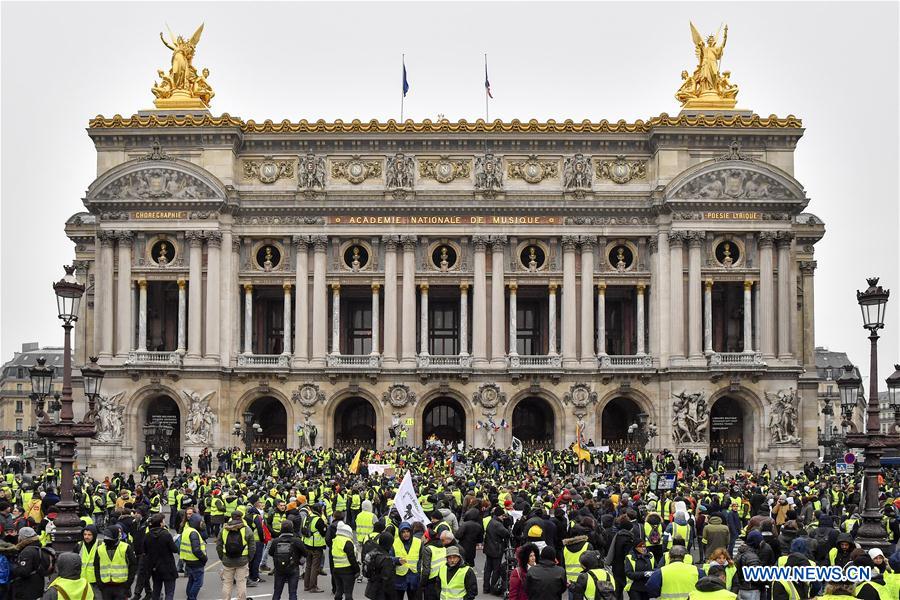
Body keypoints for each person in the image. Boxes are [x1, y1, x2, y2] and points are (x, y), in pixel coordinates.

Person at [217, 510, 256, 600]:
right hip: (242, 560)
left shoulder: (224, 529)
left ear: (232, 517)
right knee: (241, 583)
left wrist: (222, 557)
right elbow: (252, 547)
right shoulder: (246, 529)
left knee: (227, 583)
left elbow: (219, 545)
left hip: (227, 560)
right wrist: (249, 558)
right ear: (241, 517)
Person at [94, 526, 137, 600]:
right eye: (105, 536)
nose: (106, 538)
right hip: (105, 586)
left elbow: (133, 565)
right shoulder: (100, 549)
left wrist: (128, 584)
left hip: (121, 586)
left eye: (108, 536)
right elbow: (96, 567)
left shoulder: (125, 547)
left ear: (115, 536)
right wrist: (99, 583)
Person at [143, 513, 178, 600]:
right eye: (163, 520)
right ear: (160, 523)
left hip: (155, 567)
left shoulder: (148, 535)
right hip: (168, 567)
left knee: (156, 590)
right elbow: (174, 549)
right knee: (169, 592)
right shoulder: (166, 534)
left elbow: (145, 550)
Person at [271, 520, 306, 600]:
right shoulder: (296, 540)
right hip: (293, 568)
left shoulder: (276, 541)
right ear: (292, 528)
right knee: (293, 593)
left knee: (277, 592)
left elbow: (271, 553)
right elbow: (305, 553)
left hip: (279, 569)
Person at [12, 526, 46, 600]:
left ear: (22, 538)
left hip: (28, 587)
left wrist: (13, 568)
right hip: (38, 582)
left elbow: (24, 572)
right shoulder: (38, 547)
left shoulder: (27, 551)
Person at [483, 508, 511, 595]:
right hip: (496, 550)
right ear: (499, 515)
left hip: (489, 549)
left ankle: (486, 587)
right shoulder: (498, 524)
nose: (503, 517)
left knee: (488, 569)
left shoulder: (491, 521)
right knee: (496, 570)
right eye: (503, 516)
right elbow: (507, 533)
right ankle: (493, 588)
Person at [179, 513, 207, 600]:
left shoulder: (187, 530)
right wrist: (204, 558)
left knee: (191, 580)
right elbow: (196, 550)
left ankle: (189, 596)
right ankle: (191, 597)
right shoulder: (194, 533)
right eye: (200, 522)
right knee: (198, 582)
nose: (201, 524)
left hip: (188, 560)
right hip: (196, 561)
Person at [330, 521, 359, 600]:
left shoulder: (335, 540)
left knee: (339, 591)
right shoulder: (347, 542)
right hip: (347, 571)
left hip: (336, 569)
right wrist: (357, 570)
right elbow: (352, 558)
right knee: (348, 593)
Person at [302, 502, 327, 593]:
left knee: (308, 565)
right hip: (316, 545)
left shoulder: (307, 517)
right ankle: (313, 587)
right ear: (320, 510)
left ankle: (307, 585)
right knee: (315, 567)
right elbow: (324, 532)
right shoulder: (318, 519)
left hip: (307, 544)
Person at [393, 522, 421, 600]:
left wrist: (419, 572)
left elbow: (421, 558)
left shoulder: (418, 542)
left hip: (413, 577)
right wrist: (397, 560)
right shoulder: (394, 542)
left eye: (407, 531)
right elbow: (389, 558)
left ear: (411, 532)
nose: (406, 534)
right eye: (403, 532)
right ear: (400, 533)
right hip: (399, 578)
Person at [362, 531, 394, 600]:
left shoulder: (373, 553)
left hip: (372, 588)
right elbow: (387, 581)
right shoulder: (386, 559)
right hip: (381, 592)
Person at [75, 525, 100, 596]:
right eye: (85, 534)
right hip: (81, 580)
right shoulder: (79, 545)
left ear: (94, 535)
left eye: (89, 535)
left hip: (96, 581)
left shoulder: (100, 545)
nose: (86, 537)